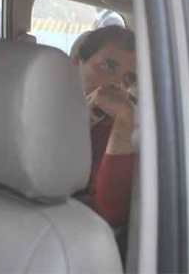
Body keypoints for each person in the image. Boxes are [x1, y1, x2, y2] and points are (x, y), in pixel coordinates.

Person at [73, 25, 137, 228]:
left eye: (129, 79)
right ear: (76, 62)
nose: (117, 84)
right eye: (108, 66)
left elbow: (108, 217)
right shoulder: (32, 107)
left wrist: (125, 121)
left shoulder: (119, 135)